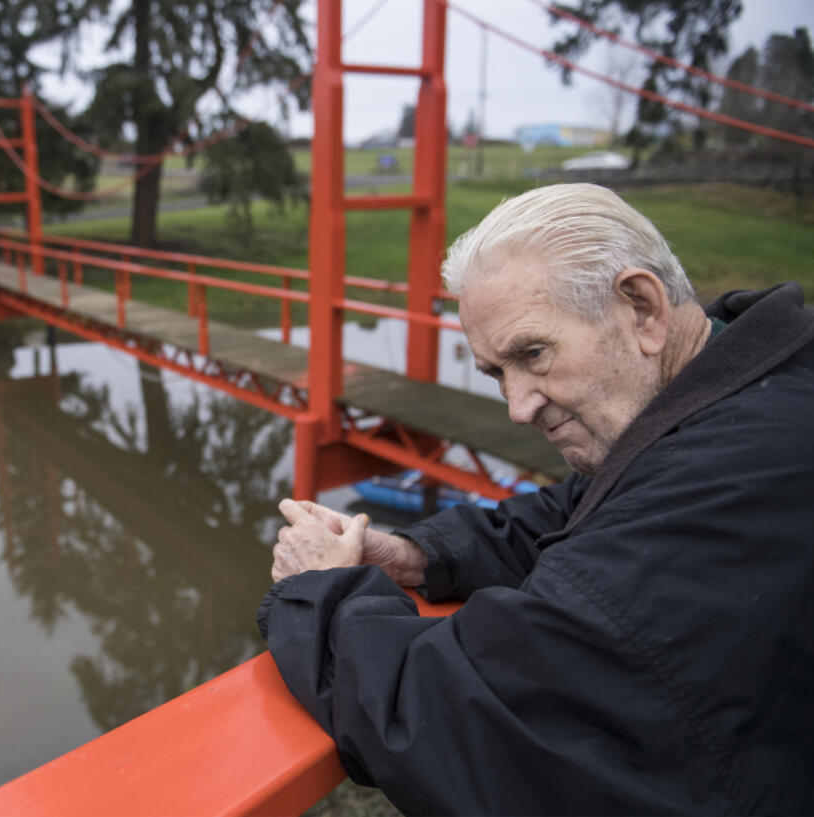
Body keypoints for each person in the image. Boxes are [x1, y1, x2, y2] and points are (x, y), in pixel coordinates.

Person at [258, 183, 814, 814]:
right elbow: (587, 508)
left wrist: (319, 589)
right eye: (498, 373)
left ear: (642, 308)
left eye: (533, 354)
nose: (518, 408)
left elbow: (458, 722)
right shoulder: (756, 386)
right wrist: (418, 555)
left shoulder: (720, 495)